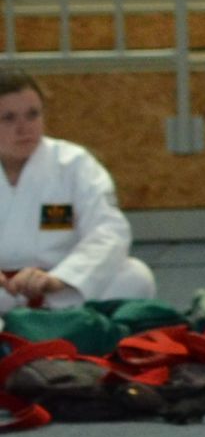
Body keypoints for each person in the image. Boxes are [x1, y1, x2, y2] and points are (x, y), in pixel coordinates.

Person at [0, 68, 154, 308]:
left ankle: (48, 316)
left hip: (60, 285)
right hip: (3, 292)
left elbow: (109, 231)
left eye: (33, 115)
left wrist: (60, 279)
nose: (24, 128)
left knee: (135, 277)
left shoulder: (73, 163)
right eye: (8, 118)